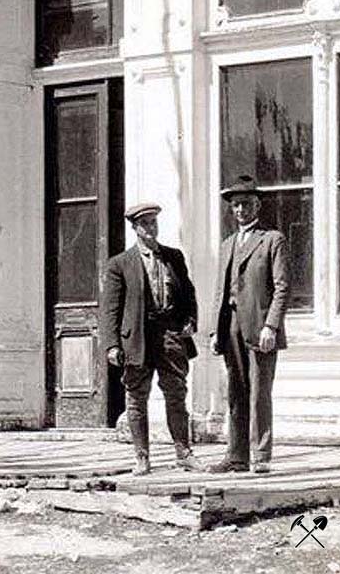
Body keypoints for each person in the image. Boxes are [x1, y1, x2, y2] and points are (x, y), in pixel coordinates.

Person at [103, 203, 201, 476]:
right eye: (144, 223)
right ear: (134, 228)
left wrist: (191, 321)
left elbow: (188, 295)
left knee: (176, 395)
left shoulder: (173, 257)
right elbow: (110, 308)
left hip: (170, 334)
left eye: (153, 222)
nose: (150, 228)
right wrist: (112, 344)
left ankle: (184, 453)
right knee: (136, 398)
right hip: (137, 339)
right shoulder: (119, 264)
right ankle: (142, 457)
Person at [210, 173, 290, 475]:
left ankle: (260, 456)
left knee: (259, 392)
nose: (240, 210)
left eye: (245, 204)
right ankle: (236, 456)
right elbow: (221, 290)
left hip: (259, 326)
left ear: (257, 206)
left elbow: (282, 287)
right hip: (230, 325)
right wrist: (216, 331)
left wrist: (271, 326)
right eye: (235, 205)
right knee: (235, 390)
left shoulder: (272, 239)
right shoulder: (228, 244)